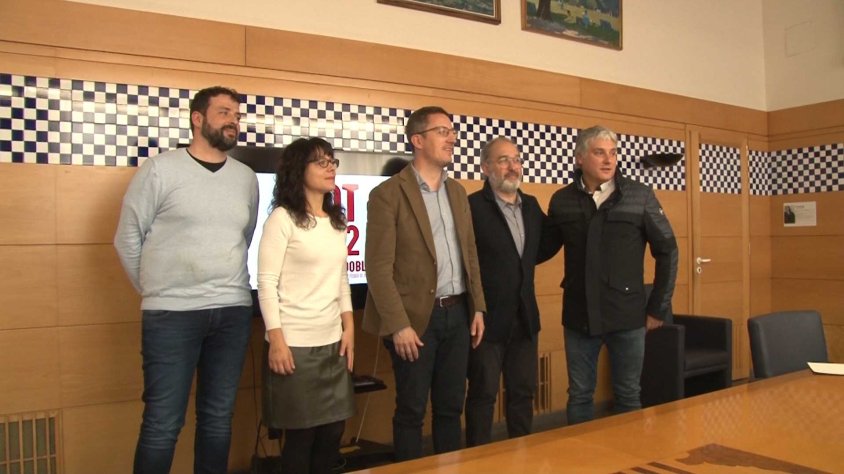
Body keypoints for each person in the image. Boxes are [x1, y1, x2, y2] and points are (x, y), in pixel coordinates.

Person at [114, 86, 259, 474]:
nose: (233, 121)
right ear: (198, 118)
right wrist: (157, 291)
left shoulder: (245, 178)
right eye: (224, 112)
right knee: (163, 423)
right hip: (171, 315)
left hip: (232, 312)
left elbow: (243, 238)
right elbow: (127, 239)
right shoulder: (160, 170)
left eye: (237, 116)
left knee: (218, 419)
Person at [363, 106, 486, 461]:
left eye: (452, 132)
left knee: (450, 408)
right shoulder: (388, 194)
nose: (452, 138)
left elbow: (470, 254)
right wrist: (398, 325)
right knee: (412, 410)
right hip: (415, 320)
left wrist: (478, 307)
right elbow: (378, 268)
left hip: (458, 314)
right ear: (417, 140)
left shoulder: (458, 192)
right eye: (442, 131)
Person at [542, 125, 678, 425]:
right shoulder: (562, 200)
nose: (608, 160)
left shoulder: (639, 196)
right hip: (578, 316)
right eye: (599, 153)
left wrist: (658, 307)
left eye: (613, 153)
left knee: (628, 395)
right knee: (579, 395)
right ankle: (581, 454)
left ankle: (627, 453)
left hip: (627, 316)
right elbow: (542, 248)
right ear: (580, 158)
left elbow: (668, 250)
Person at [257, 137, 355, 474]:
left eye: (332, 161)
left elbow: (341, 279)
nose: (331, 168)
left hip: (332, 343)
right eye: (321, 162)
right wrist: (277, 340)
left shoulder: (335, 221)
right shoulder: (282, 219)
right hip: (294, 345)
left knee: (332, 433)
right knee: (301, 437)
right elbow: (266, 283)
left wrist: (349, 327)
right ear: (299, 170)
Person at [464, 137, 555, 446]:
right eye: (503, 160)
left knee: (523, 393)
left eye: (516, 160)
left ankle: (522, 456)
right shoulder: (472, 207)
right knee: (483, 395)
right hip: (486, 320)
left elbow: (539, 249)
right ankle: (478, 460)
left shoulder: (531, 206)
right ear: (485, 167)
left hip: (525, 318)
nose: (512, 166)